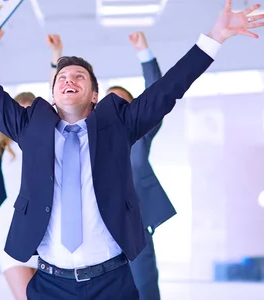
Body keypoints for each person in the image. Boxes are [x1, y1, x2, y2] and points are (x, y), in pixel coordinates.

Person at [0, 0, 264, 299]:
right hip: (49, 284)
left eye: (79, 76)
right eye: (62, 77)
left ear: (93, 93)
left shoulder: (119, 125)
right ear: (53, 94)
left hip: (112, 282)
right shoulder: (29, 127)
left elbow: (167, 90)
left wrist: (215, 37)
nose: (69, 80)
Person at [51, 30, 174, 300]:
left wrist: (144, 51)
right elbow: (60, 104)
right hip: (96, 232)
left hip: (134, 228)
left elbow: (158, 93)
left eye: (120, 103)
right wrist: (57, 59)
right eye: (108, 103)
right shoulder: (86, 139)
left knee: (144, 288)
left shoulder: (139, 135)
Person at [0, 25, 55, 299]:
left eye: (30, 114)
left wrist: (55, 55)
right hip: (8, 233)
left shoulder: (44, 145)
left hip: (45, 234)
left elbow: (55, 103)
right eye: (19, 113)